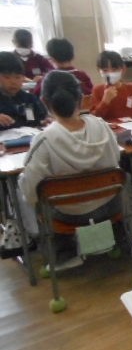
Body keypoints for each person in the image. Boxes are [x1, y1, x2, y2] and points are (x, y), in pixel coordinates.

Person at [18, 71, 121, 236]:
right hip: (110, 206)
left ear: (44, 101)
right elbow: (116, 158)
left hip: (68, 216)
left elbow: (30, 192)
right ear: (81, 99)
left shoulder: (44, 140)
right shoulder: (102, 126)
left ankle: (39, 241)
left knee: (23, 187)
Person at [90, 51, 132, 122]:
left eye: (114, 69)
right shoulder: (97, 90)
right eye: (105, 70)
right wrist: (105, 101)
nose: (110, 73)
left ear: (123, 69)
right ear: (99, 70)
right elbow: (94, 118)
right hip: (108, 128)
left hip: (130, 127)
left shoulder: (131, 88)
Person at [0, 52, 48, 130]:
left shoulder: (28, 99)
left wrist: (42, 122)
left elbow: (31, 120)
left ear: (23, 78)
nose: (13, 82)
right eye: (7, 77)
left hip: (27, 135)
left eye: (17, 77)